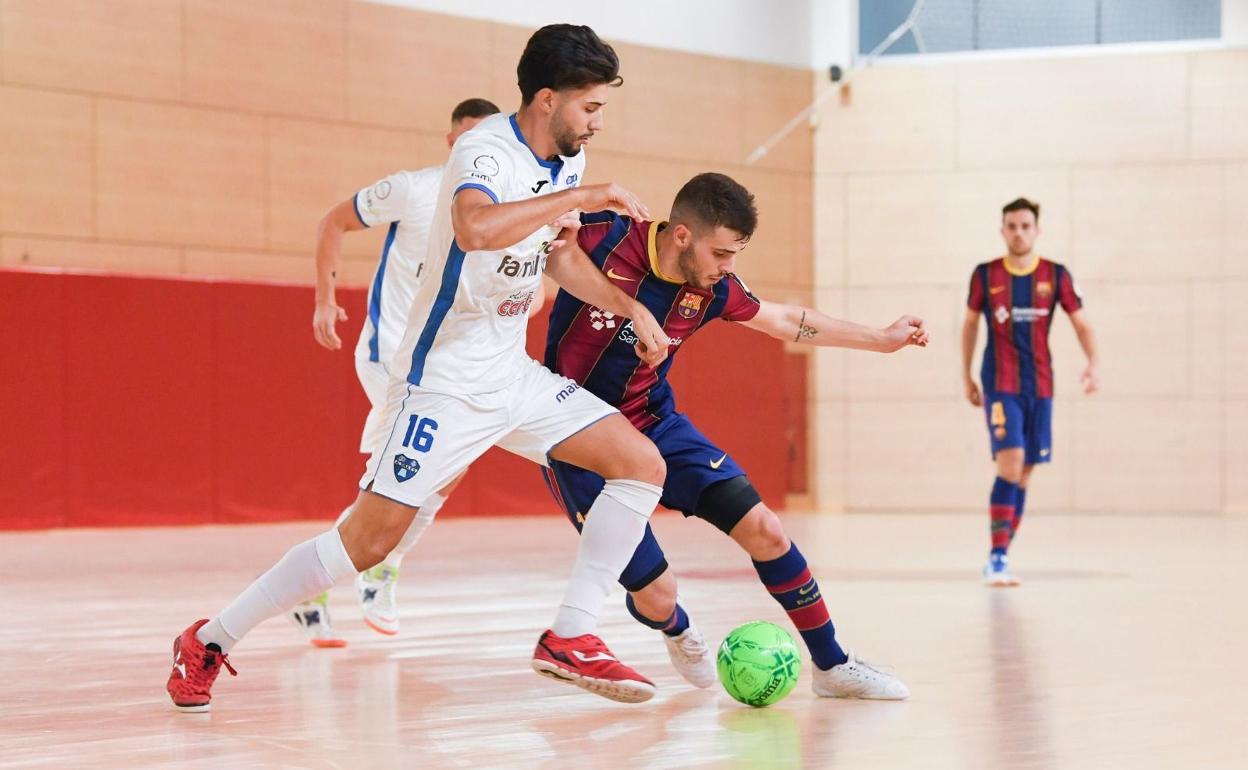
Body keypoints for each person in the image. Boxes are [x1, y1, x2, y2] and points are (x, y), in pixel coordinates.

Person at [167, 23, 674, 712]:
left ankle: (571, 634)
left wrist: (627, 306)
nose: (599, 122)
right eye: (591, 107)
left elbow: (555, 255)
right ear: (548, 99)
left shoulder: (567, 161)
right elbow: (476, 229)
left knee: (640, 463)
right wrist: (577, 199)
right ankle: (211, 638)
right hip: (443, 380)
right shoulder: (485, 149)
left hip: (511, 373)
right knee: (367, 542)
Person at [542, 172, 925, 700]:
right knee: (656, 596)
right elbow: (539, 248)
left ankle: (833, 666)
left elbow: (787, 320)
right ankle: (679, 629)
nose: (728, 268)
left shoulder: (713, 289)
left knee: (766, 529)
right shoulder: (604, 236)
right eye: (721, 253)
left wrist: (880, 340)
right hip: (574, 437)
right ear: (681, 236)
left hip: (653, 422)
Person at [293, 98, 503, 647]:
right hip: (393, 358)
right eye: (463, 138)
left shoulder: (501, 209)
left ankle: (332, 578)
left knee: (439, 472)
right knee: (409, 476)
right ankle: (358, 573)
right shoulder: (412, 189)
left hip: (451, 365)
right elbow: (332, 221)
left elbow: (523, 290)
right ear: (451, 142)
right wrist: (323, 299)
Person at [961, 197, 1098, 586]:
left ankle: (1004, 551)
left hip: (1040, 385)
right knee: (1010, 462)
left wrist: (1094, 364)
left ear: (1036, 230)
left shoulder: (1056, 275)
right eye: (1011, 226)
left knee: (1024, 473)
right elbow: (970, 326)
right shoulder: (985, 275)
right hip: (1000, 383)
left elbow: (1082, 323)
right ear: (1002, 230)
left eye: (1025, 226)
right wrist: (967, 375)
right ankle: (996, 557)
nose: (1018, 232)